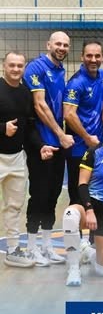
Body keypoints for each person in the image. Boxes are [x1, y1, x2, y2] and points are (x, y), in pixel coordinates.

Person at [0, 52, 56, 267]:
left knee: (14, 206)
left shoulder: (25, 92)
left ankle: (13, 250)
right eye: (12, 65)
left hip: (16, 158)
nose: (16, 69)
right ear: (4, 66)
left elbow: (30, 126)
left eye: (20, 66)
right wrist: (2, 128)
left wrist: (40, 146)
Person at [62, 114, 103, 286]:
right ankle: (73, 268)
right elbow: (82, 185)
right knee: (70, 215)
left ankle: (87, 251)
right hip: (89, 206)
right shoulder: (94, 152)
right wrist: (89, 209)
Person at [24, 31, 73, 266]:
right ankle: (31, 247)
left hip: (57, 143)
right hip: (41, 142)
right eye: (58, 44)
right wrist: (60, 134)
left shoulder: (60, 70)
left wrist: (60, 137)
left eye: (65, 45)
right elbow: (40, 105)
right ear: (48, 45)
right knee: (39, 195)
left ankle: (46, 246)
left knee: (53, 195)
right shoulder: (36, 67)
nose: (62, 48)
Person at [64, 40, 103, 205]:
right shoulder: (76, 82)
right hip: (79, 148)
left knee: (97, 194)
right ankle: (76, 222)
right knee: (79, 196)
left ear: (102, 57)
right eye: (89, 56)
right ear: (82, 57)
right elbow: (69, 114)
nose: (93, 59)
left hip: (100, 146)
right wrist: (87, 137)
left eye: (97, 56)